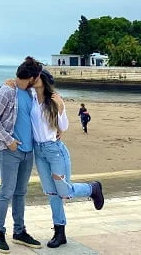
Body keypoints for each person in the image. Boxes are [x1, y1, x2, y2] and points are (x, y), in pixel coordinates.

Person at [30, 69, 104, 248]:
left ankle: (92, 188)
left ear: (43, 80)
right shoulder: (30, 98)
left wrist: (61, 108)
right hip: (39, 152)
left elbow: (63, 126)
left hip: (55, 151)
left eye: (36, 76)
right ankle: (59, 232)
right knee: (51, 193)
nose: (33, 79)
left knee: (64, 192)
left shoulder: (55, 99)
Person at [0, 56, 43, 252]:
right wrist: (8, 140)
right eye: (37, 76)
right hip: (11, 151)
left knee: (21, 193)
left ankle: (19, 231)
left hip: (29, 151)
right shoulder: (7, 91)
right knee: (7, 192)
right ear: (32, 77)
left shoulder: (31, 93)